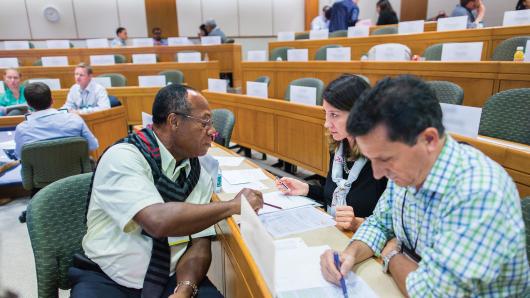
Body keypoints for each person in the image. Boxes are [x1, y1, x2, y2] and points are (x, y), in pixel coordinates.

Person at [320, 75, 530, 296]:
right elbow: (379, 224)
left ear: (429, 140)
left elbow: (433, 293)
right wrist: (350, 254)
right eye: (373, 159)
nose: (378, 173)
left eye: (386, 159)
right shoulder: (407, 168)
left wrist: (392, 256)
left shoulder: (479, 191)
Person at [69, 84, 264, 298]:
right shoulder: (124, 157)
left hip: (170, 276)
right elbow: (157, 221)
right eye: (204, 122)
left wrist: (184, 289)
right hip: (108, 277)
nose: (213, 131)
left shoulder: (197, 169)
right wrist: (234, 206)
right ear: (174, 121)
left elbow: (199, 242)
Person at [276, 75, 386, 232]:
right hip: (334, 231)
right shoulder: (340, 145)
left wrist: (358, 223)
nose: (327, 124)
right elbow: (335, 194)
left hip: (365, 243)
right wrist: (306, 189)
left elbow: (395, 224)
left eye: (334, 115)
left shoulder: (384, 157)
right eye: (325, 113)